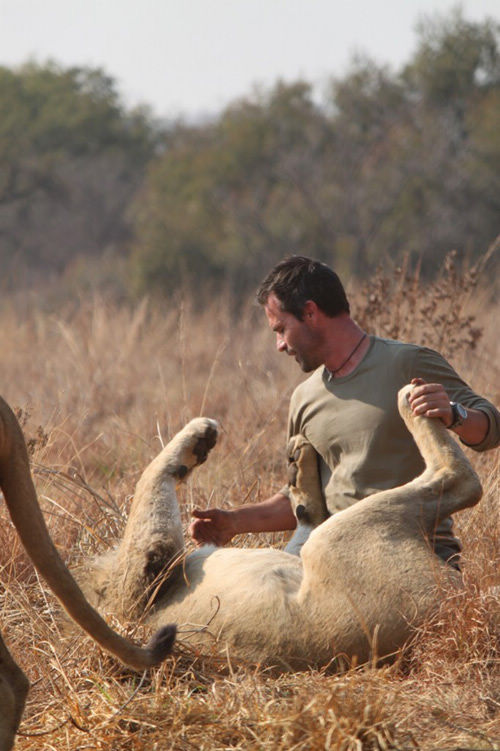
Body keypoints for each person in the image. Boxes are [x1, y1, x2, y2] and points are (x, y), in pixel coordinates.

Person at [189, 256, 500, 566]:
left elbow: (491, 429)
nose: (279, 345)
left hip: (419, 559)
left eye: (281, 329)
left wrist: (454, 413)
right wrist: (232, 522)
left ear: (310, 312)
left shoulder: (408, 363)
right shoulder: (304, 398)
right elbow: (302, 500)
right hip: (339, 563)